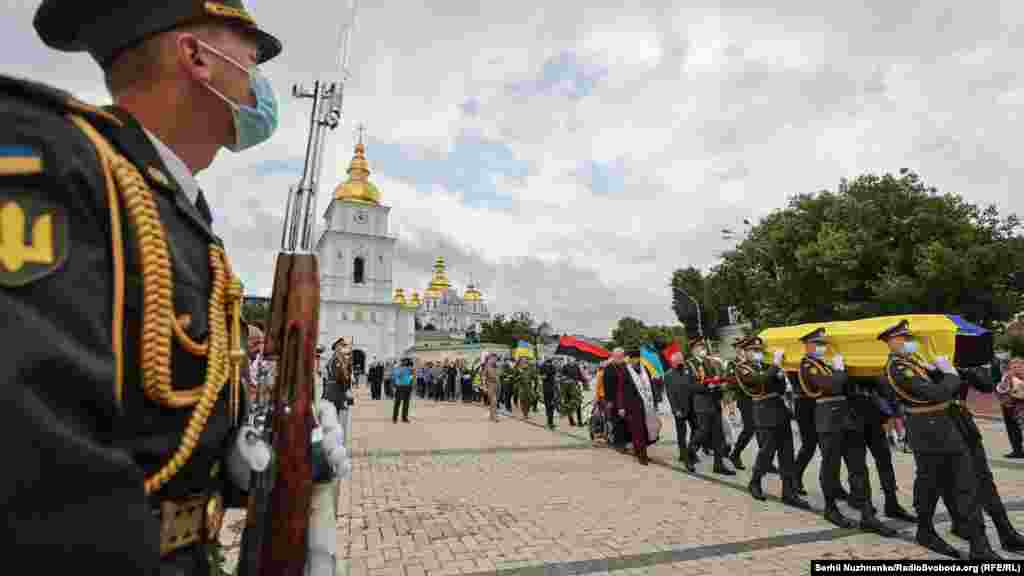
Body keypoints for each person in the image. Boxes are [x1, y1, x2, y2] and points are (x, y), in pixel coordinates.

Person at [2, 1, 284, 573]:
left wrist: (247, 464)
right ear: (197, 58)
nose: (260, 79)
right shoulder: (56, 163)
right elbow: (38, 466)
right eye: (251, 58)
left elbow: (157, 425)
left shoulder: (177, 212)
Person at [880, 319, 1001, 559]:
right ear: (890, 342)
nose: (909, 342)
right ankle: (925, 530)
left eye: (909, 338)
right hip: (926, 430)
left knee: (964, 483)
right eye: (904, 339)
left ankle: (979, 544)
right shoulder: (898, 368)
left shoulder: (913, 363)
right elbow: (936, 393)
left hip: (944, 427)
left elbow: (942, 387)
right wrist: (949, 374)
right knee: (929, 483)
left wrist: (939, 370)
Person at [798, 327, 895, 536]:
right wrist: (841, 370)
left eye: (824, 344)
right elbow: (831, 386)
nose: (822, 347)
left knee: (859, 466)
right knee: (831, 466)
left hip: (848, 419)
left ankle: (868, 514)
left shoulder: (826, 363)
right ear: (807, 346)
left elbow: (848, 386)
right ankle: (830, 508)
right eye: (818, 344)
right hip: (828, 418)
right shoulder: (807, 365)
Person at [733, 337, 810, 509]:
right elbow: (759, 381)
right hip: (764, 412)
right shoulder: (742, 368)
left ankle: (789, 492)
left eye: (759, 351)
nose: (757, 354)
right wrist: (775, 366)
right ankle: (755, 482)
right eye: (753, 350)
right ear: (745, 352)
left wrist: (780, 375)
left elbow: (780, 389)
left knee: (787, 453)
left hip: (779, 410)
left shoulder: (768, 367)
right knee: (767, 452)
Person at [686, 337, 735, 475]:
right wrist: (708, 386)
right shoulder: (689, 365)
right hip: (702, 403)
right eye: (699, 347)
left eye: (703, 346)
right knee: (703, 432)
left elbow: (716, 378)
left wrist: (720, 385)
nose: (702, 349)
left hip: (714, 402)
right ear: (693, 350)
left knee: (718, 435)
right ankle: (689, 455)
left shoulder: (710, 362)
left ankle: (718, 465)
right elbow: (691, 386)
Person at [664, 351, 695, 468]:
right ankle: (683, 454)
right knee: (681, 433)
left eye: (681, 360)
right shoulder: (668, 375)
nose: (681, 362)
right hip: (679, 409)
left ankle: (691, 451)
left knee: (696, 430)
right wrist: (675, 409)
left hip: (691, 406)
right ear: (673, 362)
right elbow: (670, 395)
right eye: (678, 361)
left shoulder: (688, 371)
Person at [392, 358, 414, 423]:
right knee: (397, 403)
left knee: (406, 403)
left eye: (407, 362)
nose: (406, 363)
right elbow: (396, 376)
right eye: (404, 362)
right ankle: (395, 418)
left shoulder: (410, 369)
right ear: (402, 362)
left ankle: (404, 417)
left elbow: (412, 377)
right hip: (400, 387)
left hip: (408, 387)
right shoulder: (398, 368)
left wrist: (411, 384)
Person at [482, 353, 500, 422]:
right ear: (490, 359)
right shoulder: (486, 366)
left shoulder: (497, 366)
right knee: (494, 401)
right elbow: (483, 376)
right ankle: (495, 416)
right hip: (490, 385)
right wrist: (484, 386)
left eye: (495, 359)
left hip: (497, 385)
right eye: (493, 358)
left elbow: (499, 375)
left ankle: (491, 415)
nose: (494, 360)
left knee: (494, 402)